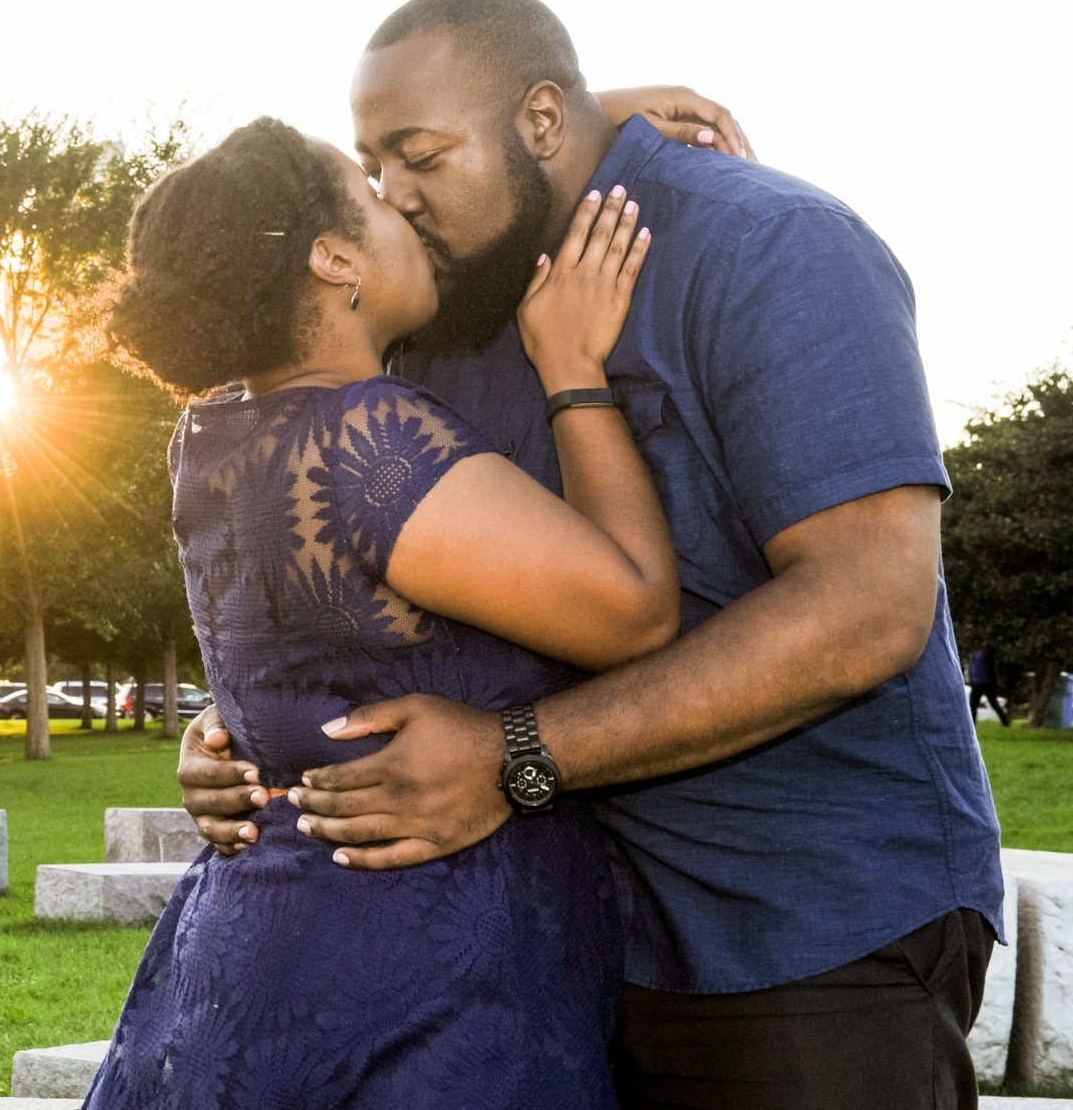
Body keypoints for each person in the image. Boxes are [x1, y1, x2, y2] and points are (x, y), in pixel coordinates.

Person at [177, 0, 1004, 1110]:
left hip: (791, 932)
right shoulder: (429, 308)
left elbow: (869, 604)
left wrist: (515, 754)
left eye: (417, 156)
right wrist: (250, 732)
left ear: (538, 122)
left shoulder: (771, 246)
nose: (390, 198)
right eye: (373, 167)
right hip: (536, 959)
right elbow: (339, 562)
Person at [92, 109, 678, 1108]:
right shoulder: (369, 439)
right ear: (333, 256)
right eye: (371, 195)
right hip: (412, 982)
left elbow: (291, 662)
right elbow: (632, 611)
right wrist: (572, 369)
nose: (401, 200)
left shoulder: (206, 434)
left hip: (240, 961)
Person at [969, 645, 1010, 726]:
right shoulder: (986, 655)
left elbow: (972, 669)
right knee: (993, 703)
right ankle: (1005, 722)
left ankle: (972, 724)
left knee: (973, 705)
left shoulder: (976, 654)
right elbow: (992, 670)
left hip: (977, 683)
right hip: (986, 683)